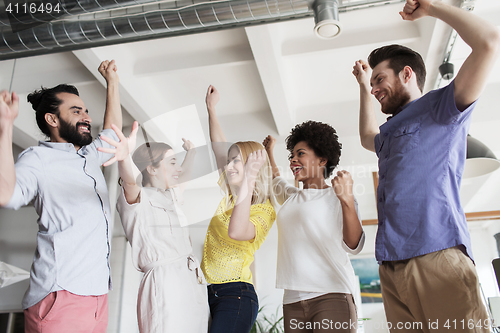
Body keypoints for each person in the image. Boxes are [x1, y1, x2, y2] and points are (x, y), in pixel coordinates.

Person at [352, 0, 500, 331]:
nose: (376, 89)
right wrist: (363, 87)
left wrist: (432, 8)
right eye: (373, 84)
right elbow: (366, 136)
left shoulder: (441, 107)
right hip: (391, 266)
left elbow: (489, 41)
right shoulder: (388, 131)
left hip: (436, 254)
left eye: (380, 79)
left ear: (406, 74)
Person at [0, 60, 122, 332]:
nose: (86, 117)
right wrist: (6, 126)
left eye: (86, 111)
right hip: (61, 295)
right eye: (76, 111)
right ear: (52, 119)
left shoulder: (88, 157)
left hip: (98, 296)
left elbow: (113, 134)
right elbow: (6, 194)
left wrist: (112, 82)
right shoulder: (39, 158)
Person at [98, 122, 209, 332]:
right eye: (173, 162)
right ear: (152, 168)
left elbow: (183, 177)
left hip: (188, 279)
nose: (179, 168)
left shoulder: (171, 197)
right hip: (163, 281)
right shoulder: (138, 199)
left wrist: (192, 153)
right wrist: (124, 159)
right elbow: (130, 182)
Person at [263, 121, 364, 333]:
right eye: (292, 155)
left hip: (331, 295)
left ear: (322, 160)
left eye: (300, 154)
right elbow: (275, 178)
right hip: (292, 301)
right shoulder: (292, 197)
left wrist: (346, 200)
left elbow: (354, 244)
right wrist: (269, 151)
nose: (293, 159)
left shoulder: (337, 195)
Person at [201, 85, 276, 333]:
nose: (229, 165)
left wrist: (249, 179)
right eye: (229, 160)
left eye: (236, 161)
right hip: (205, 290)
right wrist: (211, 109)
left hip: (237, 296)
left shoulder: (264, 210)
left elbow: (236, 230)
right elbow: (218, 146)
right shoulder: (229, 195)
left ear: (253, 169)